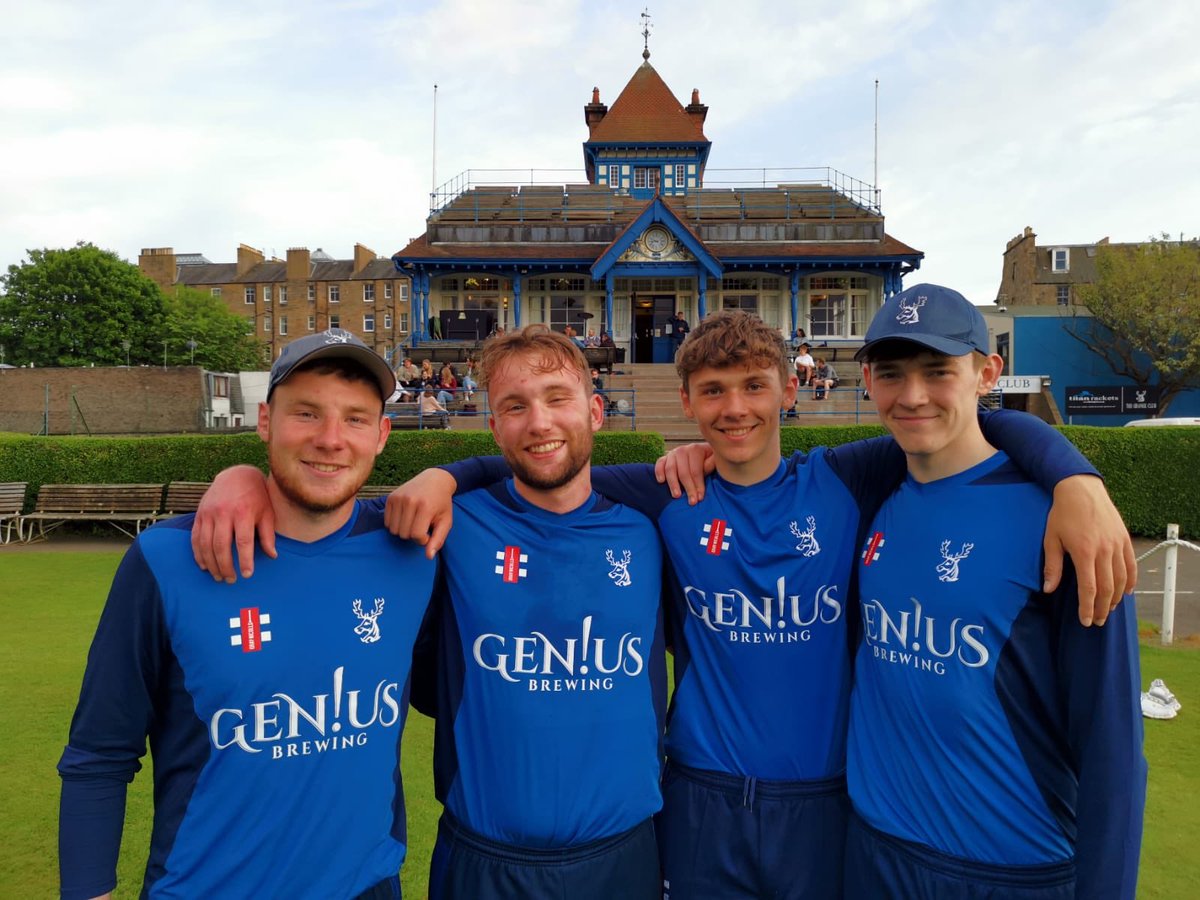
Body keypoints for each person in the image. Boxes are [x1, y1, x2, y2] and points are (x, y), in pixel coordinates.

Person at [373, 314, 1133, 900]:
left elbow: (967, 424)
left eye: (753, 387)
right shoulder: (662, 495)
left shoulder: (850, 477)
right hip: (700, 799)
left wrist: (1074, 476)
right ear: (689, 403)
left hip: (827, 805)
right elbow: (548, 468)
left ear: (790, 390)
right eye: (712, 391)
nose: (734, 409)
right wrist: (446, 474)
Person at [190, 326, 667, 899]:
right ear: (494, 427)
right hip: (485, 862)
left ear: (595, 411)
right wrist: (241, 477)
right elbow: (323, 515)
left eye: (557, 399)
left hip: (624, 854)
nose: (539, 422)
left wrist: (450, 471)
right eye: (515, 406)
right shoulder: (449, 526)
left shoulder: (652, 523)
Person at [58, 329, 437, 900]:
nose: (331, 439)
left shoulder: (414, 549)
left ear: (382, 434)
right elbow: (98, 755)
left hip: (366, 888)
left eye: (356, 419)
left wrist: (446, 474)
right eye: (306, 413)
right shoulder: (166, 560)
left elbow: (542, 478)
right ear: (265, 422)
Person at [844, 284, 1146, 899]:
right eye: (892, 374)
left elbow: (1113, 748)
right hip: (874, 857)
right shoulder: (867, 496)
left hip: (1012, 871)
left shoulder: (1062, 523)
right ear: (869, 381)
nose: (913, 396)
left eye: (937, 372)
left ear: (988, 374)